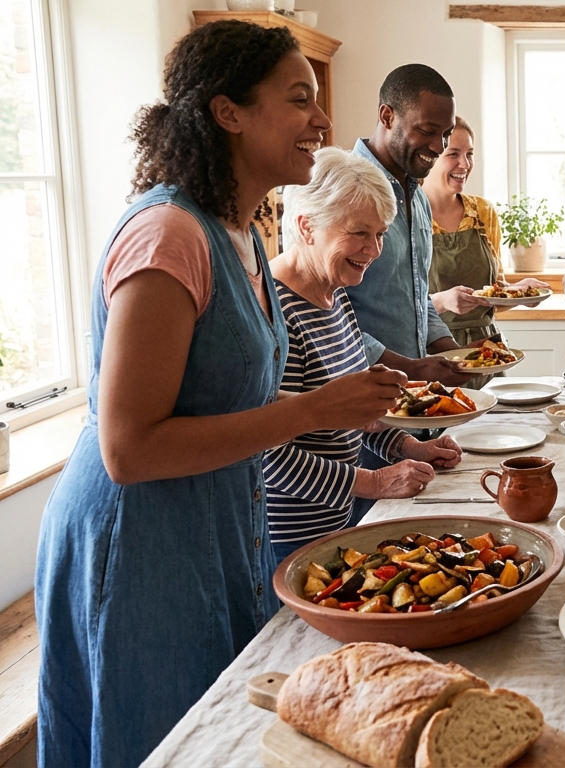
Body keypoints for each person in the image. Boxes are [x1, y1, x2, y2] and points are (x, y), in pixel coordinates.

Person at [34, 22, 405, 766]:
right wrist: (314, 410)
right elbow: (128, 449)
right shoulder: (168, 235)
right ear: (227, 111)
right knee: (158, 740)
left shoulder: (240, 235)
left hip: (217, 531)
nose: (324, 121)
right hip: (138, 542)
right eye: (299, 99)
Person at [265, 148, 464, 566]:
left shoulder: (334, 295)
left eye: (380, 235)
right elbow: (270, 456)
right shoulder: (274, 311)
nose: (373, 250)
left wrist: (410, 446)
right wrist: (374, 482)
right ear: (307, 226)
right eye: (359, 233)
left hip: (333, 529)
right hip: (287, 543)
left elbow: (358, 412)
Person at [349, 64, 471, 386]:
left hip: (412, 402)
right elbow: (325, 314)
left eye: (445, 134)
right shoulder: (343, 188)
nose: (438, 146)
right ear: (387, 116)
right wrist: (410, 369)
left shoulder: (418, 197)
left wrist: (454, 356)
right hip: (362, 403)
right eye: (427, 131)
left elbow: (416, 299)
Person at [422, 116, 546, 387]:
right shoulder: (408, 214)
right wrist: (442, 301)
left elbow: (492, 292)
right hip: (432, 353)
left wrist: (517, 293)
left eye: (469, 154)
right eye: (453, 154)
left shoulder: (482, 211)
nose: (464, 165)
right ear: (431, 156)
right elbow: (398, 308)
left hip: (487, 352)